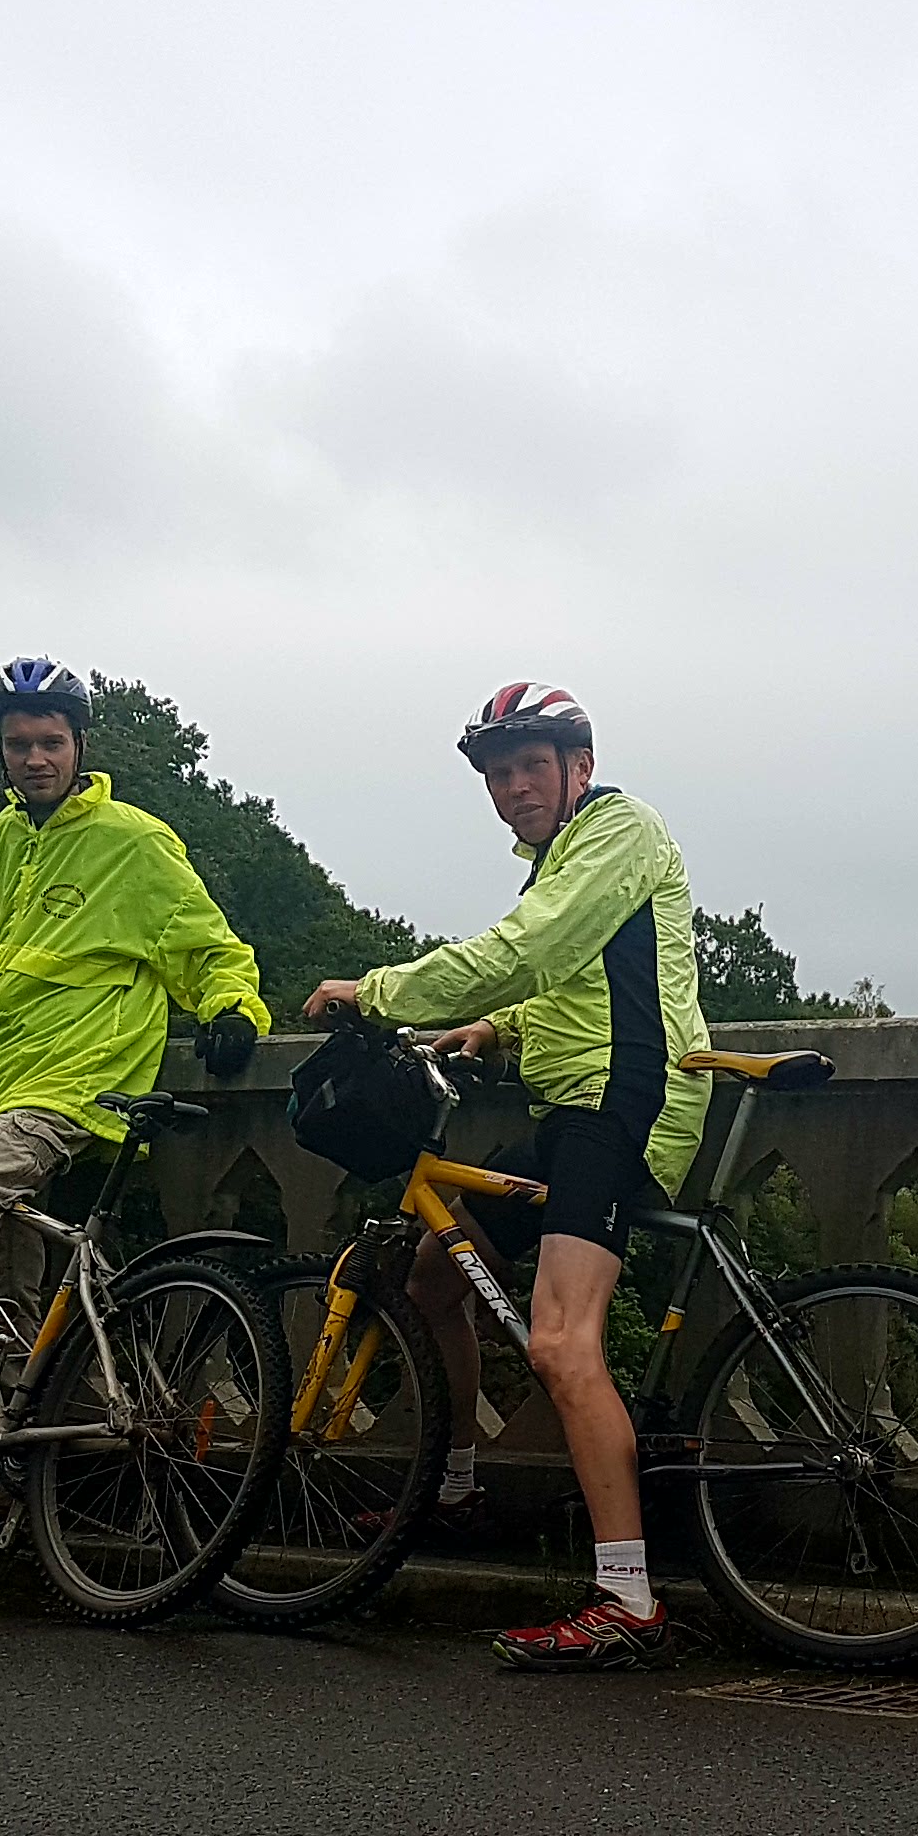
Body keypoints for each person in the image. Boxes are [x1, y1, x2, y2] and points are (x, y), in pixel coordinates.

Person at [298, 684, 710, 1674]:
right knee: (437, 1275)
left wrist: (379, 990)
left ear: (581, 766)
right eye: (497, 773)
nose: (514, 785)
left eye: (532, 764)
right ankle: (455, 1489)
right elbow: (576, 980)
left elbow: (533, 950)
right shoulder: (561, 860)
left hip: (626, 1102)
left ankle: (625, 1599)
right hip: (574, 1104)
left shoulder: (618, 827)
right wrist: (502, 1028)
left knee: (565, 1344)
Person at [0, 660, 270, 1479]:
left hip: (81, 1082)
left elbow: (205, 944)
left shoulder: (133, 842)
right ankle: (16, 1475)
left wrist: (234, 1009)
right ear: (1, 753)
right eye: (19, 744)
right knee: (5, 1287)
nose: (36, 758)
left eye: (51, 742)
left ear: (80, 746)